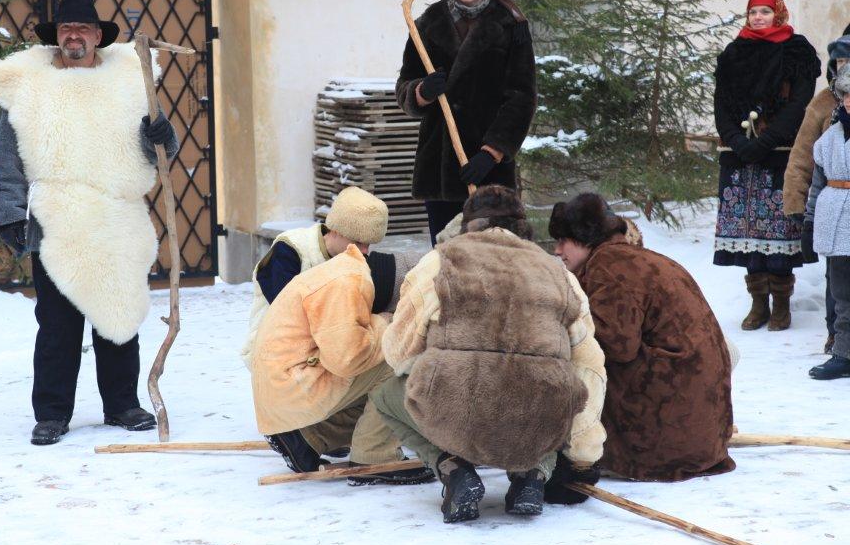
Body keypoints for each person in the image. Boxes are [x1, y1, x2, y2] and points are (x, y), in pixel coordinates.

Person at [0, 0, 179, 445]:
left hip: (115, 216)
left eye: (83, 29)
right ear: (57, 37)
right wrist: (9, 213)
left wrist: (160, 136)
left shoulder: (130, 84)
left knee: (119, 316)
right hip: (57, 219)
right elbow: (4, 160)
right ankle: (52, 413)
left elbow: (161, 153)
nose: (74, 36)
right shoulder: (29, 88)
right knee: (57, 327)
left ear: (96, 36)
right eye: (67, 29)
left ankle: (123, 405)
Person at [370, 185, 606, 523]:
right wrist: (583, 454)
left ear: (467, 225)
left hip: (458, 417)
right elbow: (589, 367)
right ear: (522, 228)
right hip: (535, 423)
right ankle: (533, 474)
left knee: (384, 395)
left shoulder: (438, 264)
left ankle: (454, 469)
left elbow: (398, 353)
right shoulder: (559, 274)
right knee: (556, 391)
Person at [549, 193, 736, 481]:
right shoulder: (634, 258)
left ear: (586, 237)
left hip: (667, 437)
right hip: (702, 433)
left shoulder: (610, 265)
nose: (558, 250)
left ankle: (577, 449)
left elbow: (615, 345)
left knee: (578, 361)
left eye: (564, 240)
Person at [248, 227, 434, 486]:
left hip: (283, 378)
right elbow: (347, 360)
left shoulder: (341, 271)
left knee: (374, 387)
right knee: (398, 361)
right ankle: (374, 457)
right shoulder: (349, 283)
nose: (366, 249)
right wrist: (387, 325)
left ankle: (309, 437)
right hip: (290, 381)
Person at [396, 0, 537, 245]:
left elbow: (522, 96)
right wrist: (422, 91)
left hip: (489, 170)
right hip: (440, 164)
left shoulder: (511, 24)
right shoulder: (427, 24)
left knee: (493, 252)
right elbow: (404, 87)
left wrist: (492, 152)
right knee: (445, 252)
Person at [713, 0, 821, 331]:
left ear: (779, 14)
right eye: (753, 12)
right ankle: (758, 303)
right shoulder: (734, 53)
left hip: (779, 155)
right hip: (739, 158)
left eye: (765, 11)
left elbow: (799, 105)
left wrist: (766, 142)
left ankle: (781, 305)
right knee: (748, 233)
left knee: (779, 231)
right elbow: (721, 104)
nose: (758, 17)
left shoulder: (796, 51)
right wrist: (736, 141)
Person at [240, 186, 389, 368]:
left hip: (321, 352)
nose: (365, 251)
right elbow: (287, 312)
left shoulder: (355, 259)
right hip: (273, 354)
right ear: (337, 231)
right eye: (358, 242)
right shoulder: (290, 249)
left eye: (369, 244)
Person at [784, 41, 850, 353]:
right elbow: (803, 157)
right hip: (834, 209)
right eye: (840, 62)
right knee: (837, 280)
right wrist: (798, 205)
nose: (845, 66)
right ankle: (836, 336)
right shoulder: (823, 104)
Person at [803, 68, 850, 380]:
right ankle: (844, 354)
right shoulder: (829, 138)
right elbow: (817, 184)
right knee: (843, 294)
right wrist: (809, 223)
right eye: (846, 94)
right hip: (836, 220)